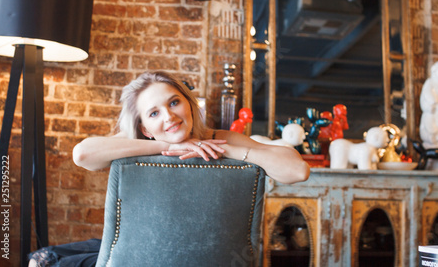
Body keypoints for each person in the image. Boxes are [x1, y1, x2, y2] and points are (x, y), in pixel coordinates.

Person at [29, 71, 310, 266]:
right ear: (144, 128)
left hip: (207, 255)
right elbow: (82, 154)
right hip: (141, 252)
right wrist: (173, 147)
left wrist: (225, 149)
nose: (169, 116)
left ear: (189, 104)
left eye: (174, 102)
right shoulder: (139, 141)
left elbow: (298, 171)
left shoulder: (221, 138)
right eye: (154, 113)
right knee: (47, 257)